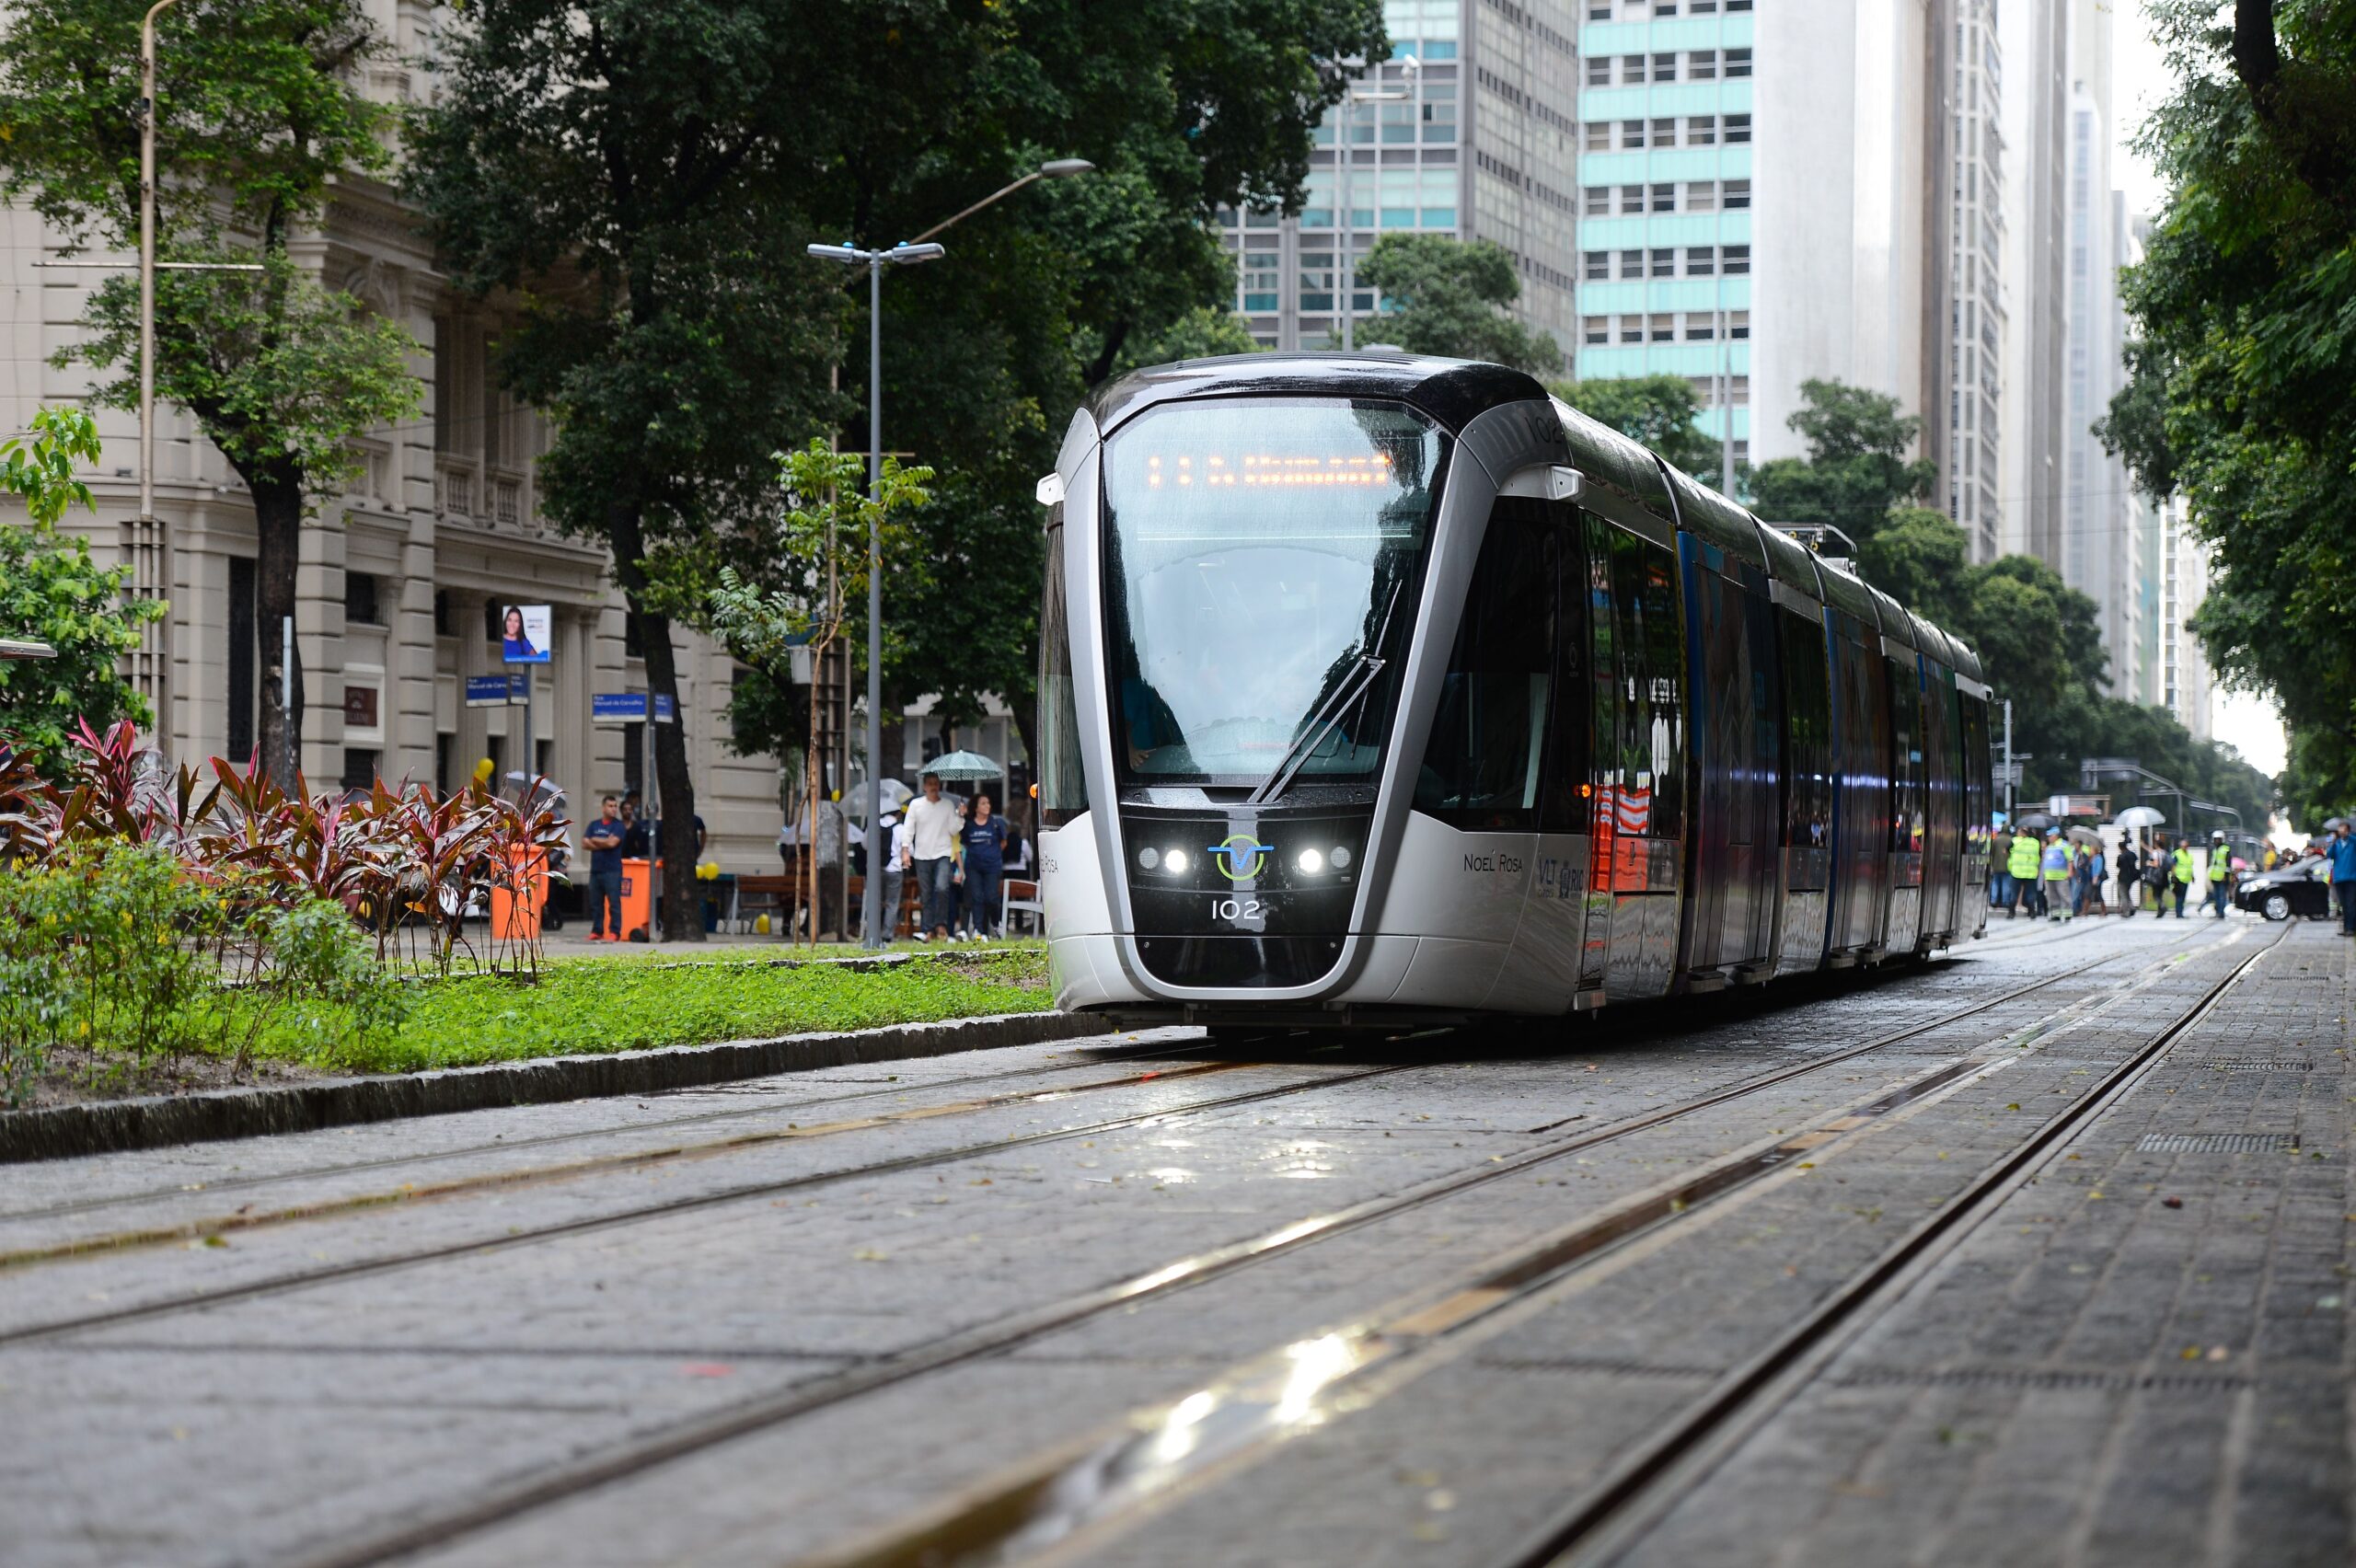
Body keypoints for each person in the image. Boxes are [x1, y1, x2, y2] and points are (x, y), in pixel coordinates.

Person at [904, 771, 962, 942]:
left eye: (936, 783)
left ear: (940, 785)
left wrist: (961, 815)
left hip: (943, 852)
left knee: (942, 888)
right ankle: (927, 929)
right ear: (924, 787)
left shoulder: (948, 805)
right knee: (927, 893)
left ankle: (941, 925)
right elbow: (908, 828)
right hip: (922, 854)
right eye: (930, 783)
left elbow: (954, 829)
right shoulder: (916, 805)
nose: (933, 787)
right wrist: (905, 850)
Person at [957, 792, 1010, 942]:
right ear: (976, 807)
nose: (987, 806)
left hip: (992, 866)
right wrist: (961, 815)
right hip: (973, 866)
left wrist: (993, 854)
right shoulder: (969, 825)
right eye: (983, 803)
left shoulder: (996, 822)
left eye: (988, 803)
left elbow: (1003, 842)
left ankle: (995, 923)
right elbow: (964, 841)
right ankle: (979, 931)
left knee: (991, 897)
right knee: (977, 897)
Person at [584, 795, 625, 940]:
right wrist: (603, 842)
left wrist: (595, 840)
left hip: (612, 870)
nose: (614, 809)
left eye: (615, 806)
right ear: (603, 808)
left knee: (614, 902)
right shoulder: (594, 825)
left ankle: (615, 931)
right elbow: (584, 843)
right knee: (596, 903)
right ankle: (597, 930)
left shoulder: (618, 826)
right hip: (596, 870)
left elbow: (612, 844)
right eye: (610, 806)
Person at [2328, 820, 2356, 936]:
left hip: (2351, 878)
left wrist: (2350, 836)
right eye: (2340, 829)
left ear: (2348, 830)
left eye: (2343, 829)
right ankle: (2345, 928)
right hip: (2339, 878)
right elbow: (2329, 855)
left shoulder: (2353, 842)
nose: (2341, 831)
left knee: (2351, 904)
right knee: (2343, 905)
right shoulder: (2337, 844)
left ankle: (2351, 928)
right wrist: (2333, 843)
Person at [2006, 828, 2040, 919]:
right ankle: (2032, 912)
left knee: (2014, 893)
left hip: (2017, 872)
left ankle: (2011, 913)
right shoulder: (2035, 843)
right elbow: (2039, 855)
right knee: (2031, 893)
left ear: (2022, 833)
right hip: (2031, 873)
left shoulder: (2015, 841)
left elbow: (2006, 850)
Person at [2040, 829, 2073, 922]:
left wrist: (2069, 872)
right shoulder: (2049, 847)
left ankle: (2067, 914)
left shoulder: (2064, 845)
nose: (2049, 838)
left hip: (2061, 876)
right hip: (2049, 876)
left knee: (2064, 895)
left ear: (2055, 836)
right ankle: (2055, 914)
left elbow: (2070, 859)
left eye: (2050, 836)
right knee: (2051, 897)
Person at [2206, 830, 2233, 917]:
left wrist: (2226, 875)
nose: (2217, 841)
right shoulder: (2214, 850)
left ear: (2222, 839)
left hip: (2222, 877)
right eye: (2215, 839)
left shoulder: (2226, 849)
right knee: (2216, 896)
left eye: (2218, 839)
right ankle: (2217, 912)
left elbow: (2228, 864)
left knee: (2222, 896)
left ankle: (2221, 913)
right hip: (2214, 877)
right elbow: (2213, 864)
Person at [1990, 825, 2015, 912]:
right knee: (2006, 884)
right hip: (2008, 866)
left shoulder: (1996, 840)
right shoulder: (2011, 840)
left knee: (1995, 883)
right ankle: (2005, 902)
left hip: (1996, 866)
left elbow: (1992, 852)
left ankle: (1993, 900)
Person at [2169, 836, 2195, 917]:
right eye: (2183, 846)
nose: (2185, 847)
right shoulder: (2177, 854)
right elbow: (2173, 865)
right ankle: (2179, 913)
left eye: (2186, 846)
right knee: (2179, 897)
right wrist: (2173, 876)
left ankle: (2180, 912)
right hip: (2178, 879)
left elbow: (2190, 867)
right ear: (2181, 846)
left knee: (2183, 897)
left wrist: (2192, 876)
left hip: (2186, 879)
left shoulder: (2189, 856)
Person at [2117, 836, 2142, 917]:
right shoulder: (2132, 854)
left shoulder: (2121, 856)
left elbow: (2118, 865)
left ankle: (2126, 911)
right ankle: (2131, 907)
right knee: (2127, 893)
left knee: (2123, 894)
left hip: (2122, 877)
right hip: (2131, 877)